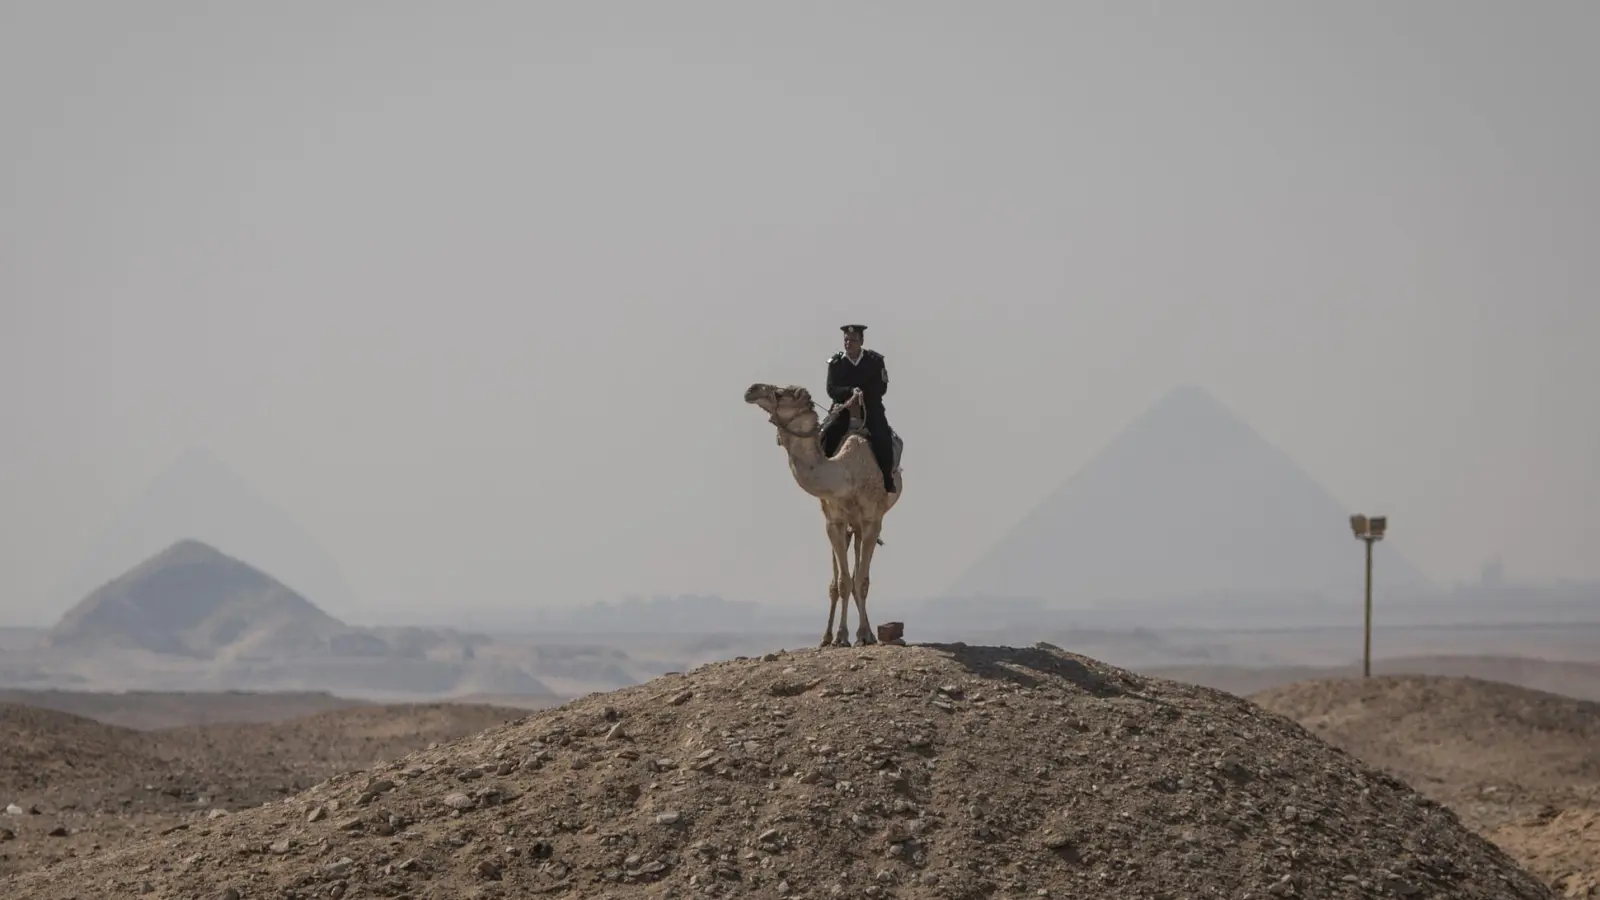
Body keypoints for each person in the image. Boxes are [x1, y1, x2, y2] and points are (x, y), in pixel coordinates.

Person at [822, 323, 897, 494]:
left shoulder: (875, 361)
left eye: (853, 340)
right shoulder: (836, 363)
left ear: (861, 341)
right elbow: (831, 389)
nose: (849, 343)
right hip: (844, 409)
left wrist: (862, 394)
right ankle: (824, 472)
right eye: (846, 340)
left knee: (882, 435)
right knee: (828, 433)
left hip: (870, 408)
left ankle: (887, 477)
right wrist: (849, 392)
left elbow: (881, 388)